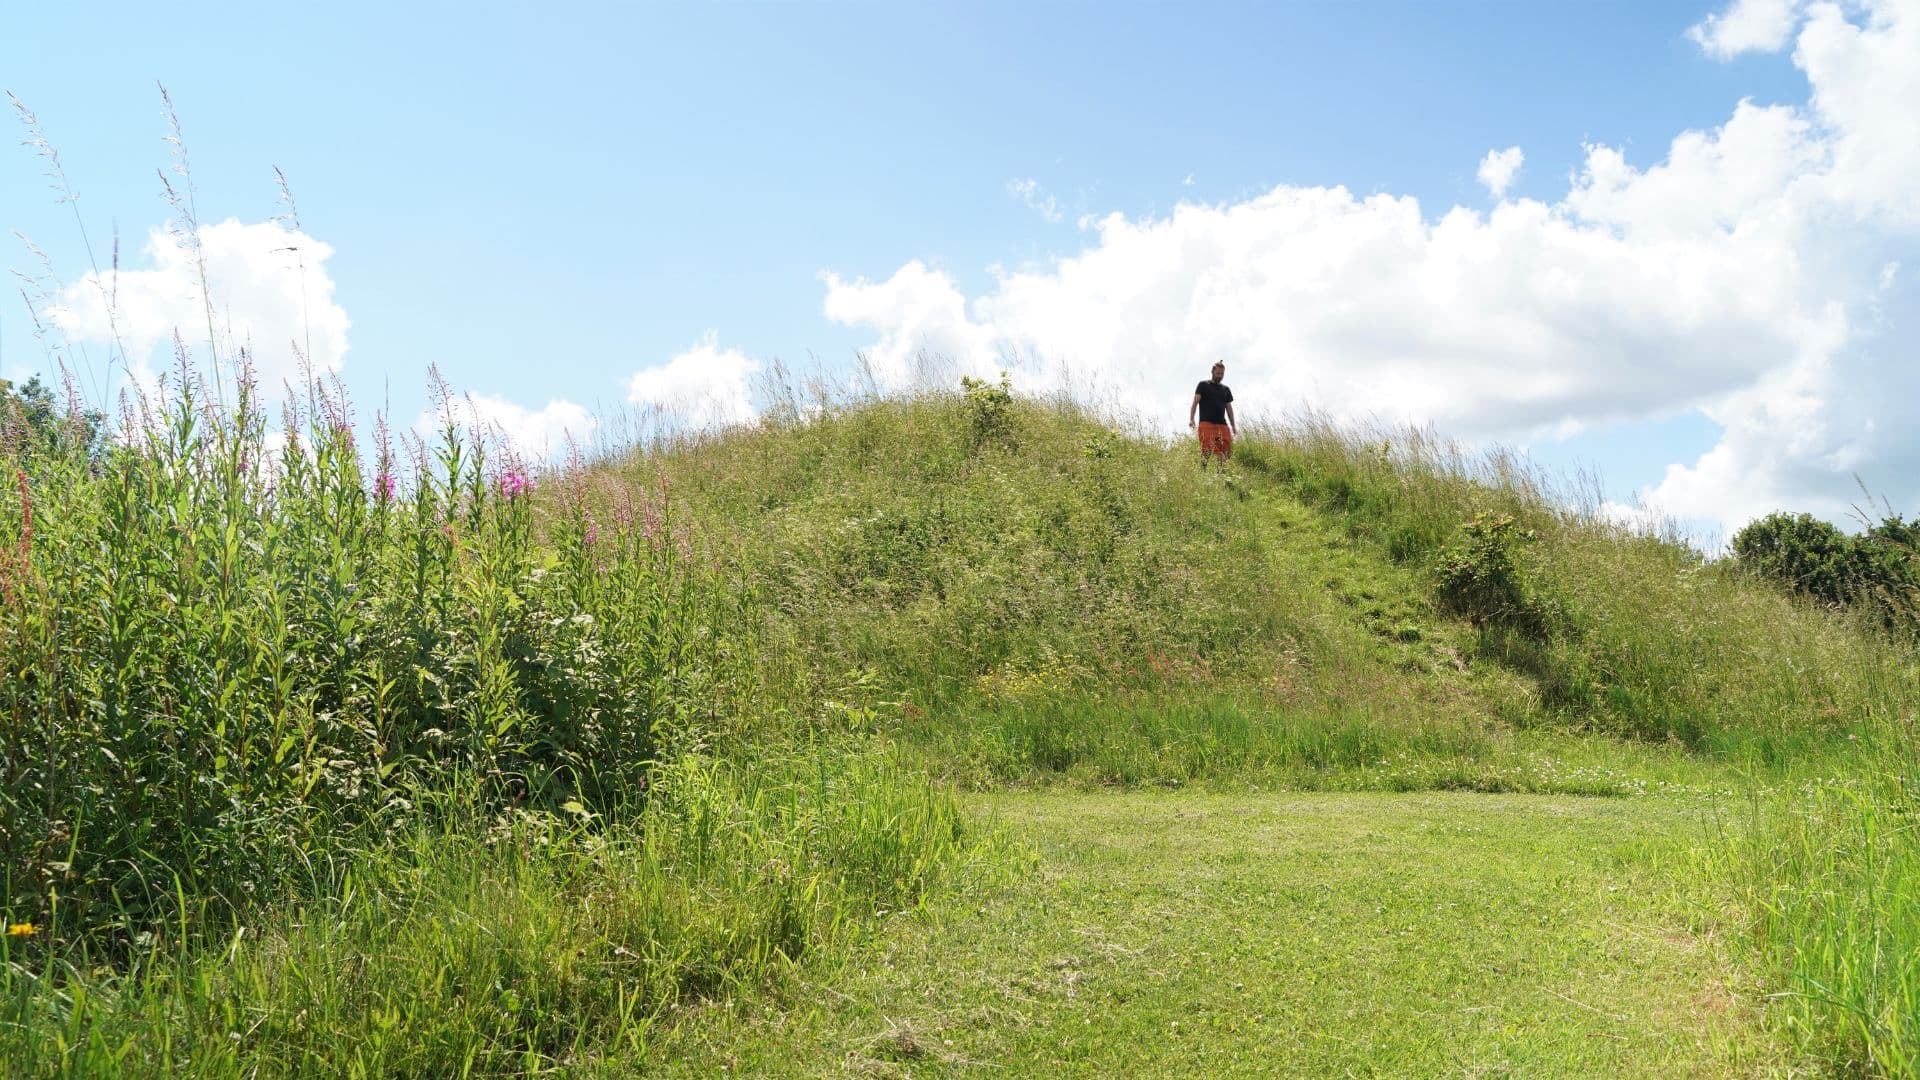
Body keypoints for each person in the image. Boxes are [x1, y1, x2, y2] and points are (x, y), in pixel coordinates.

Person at [1189, 362, 1236, 465]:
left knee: (1226, 451)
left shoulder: (1226, 390)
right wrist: (1191, 418)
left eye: (1222, 374)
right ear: (1212, 372)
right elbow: (1195, 402)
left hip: (1222, 425)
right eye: (1218, 373)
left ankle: (1221, 475)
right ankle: (1203, 471)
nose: (1220, 376)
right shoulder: (1203, 385)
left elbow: (1229, 409)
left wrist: (1233, 426)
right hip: (1206, 423)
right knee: (1206, 450)